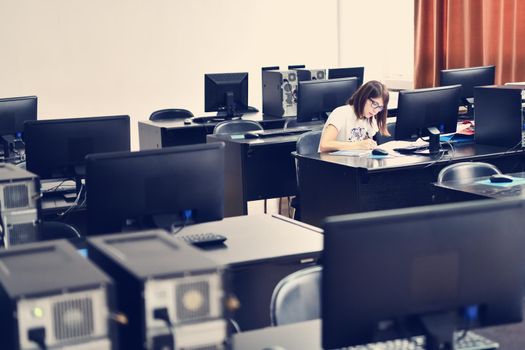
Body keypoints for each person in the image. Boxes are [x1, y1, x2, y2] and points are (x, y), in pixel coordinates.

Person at [319, 80, 390, 152]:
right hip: (331, 161)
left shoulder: (369, 118)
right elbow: (324, 145)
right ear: (364, 97)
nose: (376, 111)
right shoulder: (341, 113)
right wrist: (358, 145)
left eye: (380, 107)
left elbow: (365, 145)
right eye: (375, 104)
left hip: (352, 161)